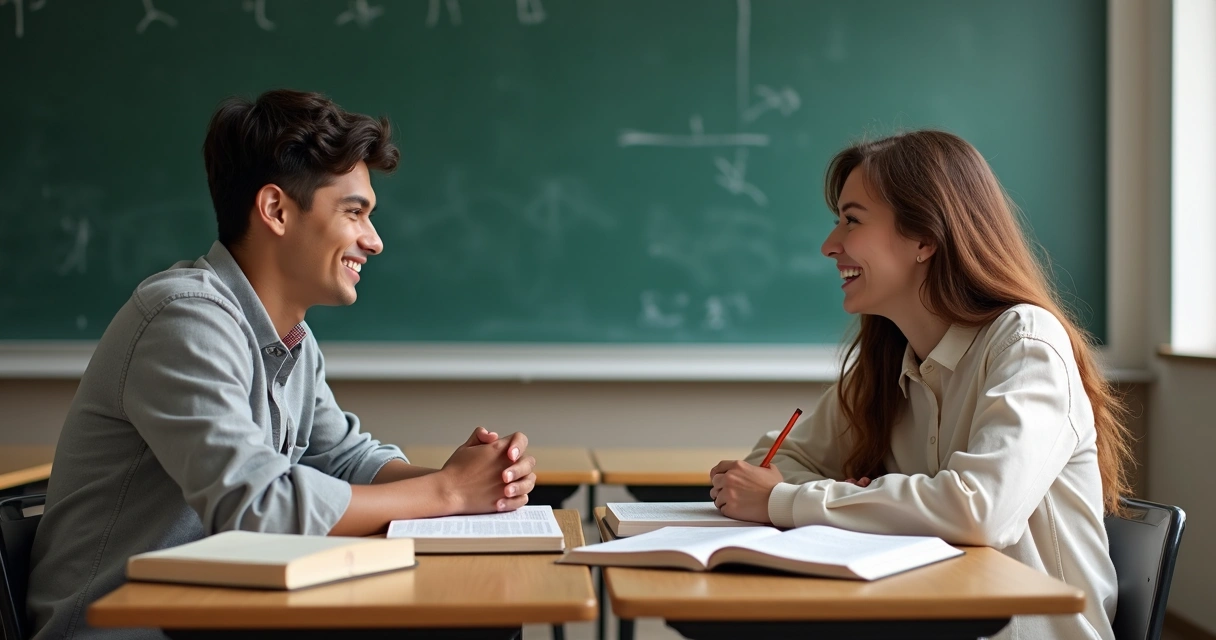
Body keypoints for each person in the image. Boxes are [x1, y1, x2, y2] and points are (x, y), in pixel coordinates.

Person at [27, 89, 537, 640]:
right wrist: (446, 493)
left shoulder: (291, 339)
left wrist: (470, 480)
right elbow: (260, 506)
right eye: (354, 212)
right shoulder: (183, 319)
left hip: (222, 616)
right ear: (275, 210)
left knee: (479, 621)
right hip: (124, 632)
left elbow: (344, 459)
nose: (374, 241)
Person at [709, 130, 1133, 640]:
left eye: (852, 220)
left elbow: (981, 511)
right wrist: (840, 498)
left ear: (924, 239)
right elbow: (769, 465)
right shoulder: (890, 362)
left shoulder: (1025, 343)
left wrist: (794, 500)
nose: (829, 245)